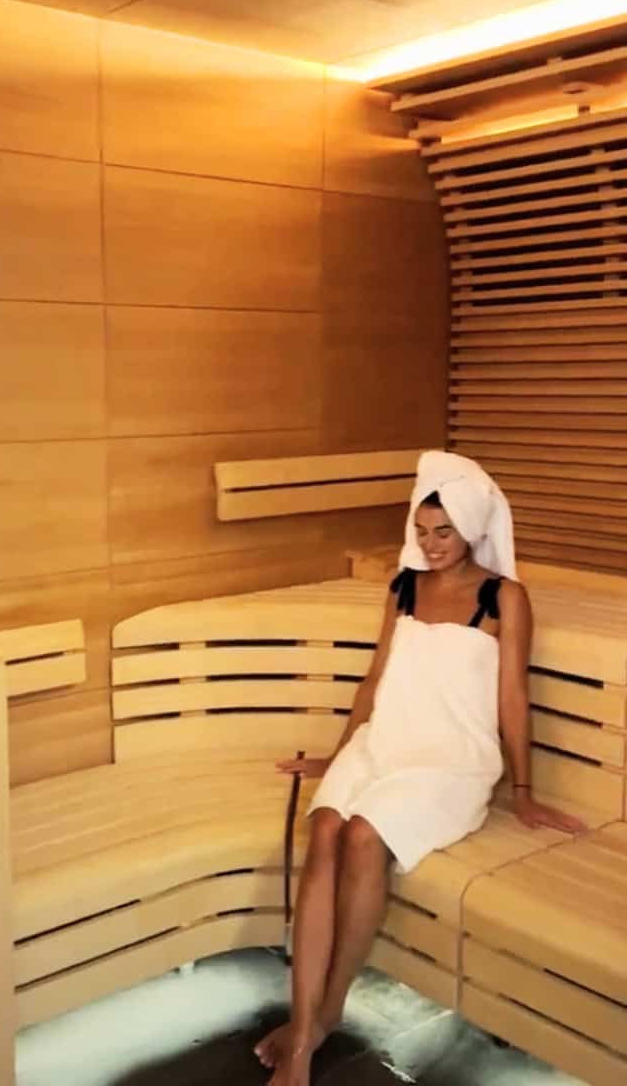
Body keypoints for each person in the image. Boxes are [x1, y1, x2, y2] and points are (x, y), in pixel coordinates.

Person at [254, 450, 586, 1086]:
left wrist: (523, 790)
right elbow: (377, 676)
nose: (432, 545)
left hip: (452, 760)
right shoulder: (403, 586)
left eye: (446, 532)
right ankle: (305, 1032)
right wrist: (341, 750)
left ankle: (327, 1011)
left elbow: (512, 697)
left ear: (472, 530)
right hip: (386, 742)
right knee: (324, 825)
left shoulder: (503, 597)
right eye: (423, 531)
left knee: (362, 833)